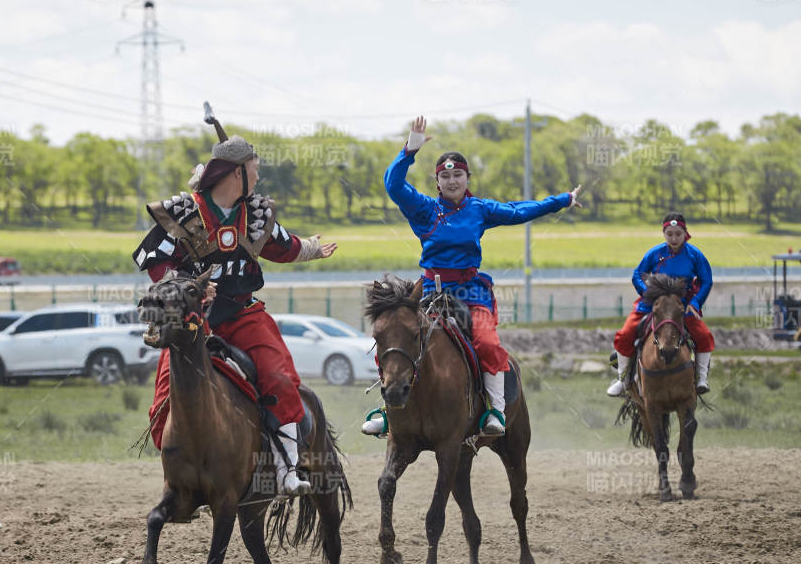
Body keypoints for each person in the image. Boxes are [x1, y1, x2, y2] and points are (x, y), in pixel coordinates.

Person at [133, 134, 337, 496]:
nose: (258, 176)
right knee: (167, 392)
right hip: (194, 320)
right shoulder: (183, 212)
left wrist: (313, 249)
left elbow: (285, 246)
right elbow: (153, 260)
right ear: (236, 173)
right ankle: (179, 477)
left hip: (244, 315)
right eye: (254, 170)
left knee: (279, 377)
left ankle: (287, 469)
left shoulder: (255, 214)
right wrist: (189, 286)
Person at [363, 115, 582, 437]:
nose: (452, 180)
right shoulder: (424, 209)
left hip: (471, 292)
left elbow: (520, 211)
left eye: (458, 174)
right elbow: (393, 185)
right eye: (445, 175)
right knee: (395, 333)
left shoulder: (479, 209)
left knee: (488, 343)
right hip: (430, 290)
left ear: (467, 178)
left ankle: (495, 410)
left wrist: (562, 200)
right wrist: (409, 150)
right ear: (437, 182)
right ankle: (389, 412)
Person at [606, 212, 715, 397]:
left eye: (678, 234)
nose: (674, 238)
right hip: (653, 304)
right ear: (664, 233)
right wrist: (647, 293)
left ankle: (701, 379)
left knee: (704, 336)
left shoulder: (695, 255)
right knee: (625, 334)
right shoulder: (654, 253)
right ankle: (623, 380)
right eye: (669, 234)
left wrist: (695, 302)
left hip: (682, 306)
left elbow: (707, 280)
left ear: (685, 233)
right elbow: (637, 275)